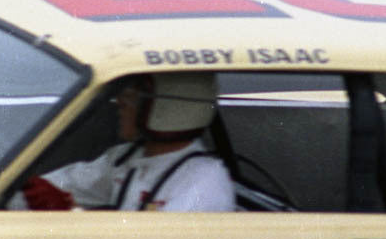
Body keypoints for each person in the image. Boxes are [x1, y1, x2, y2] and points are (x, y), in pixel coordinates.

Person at [13, 72, 235, 212]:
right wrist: (15, 191)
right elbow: (65, 184)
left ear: (167, 106)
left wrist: (73, 216)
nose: (119, 102)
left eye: (131, 94)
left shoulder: (203, 185)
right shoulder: (128, 158)